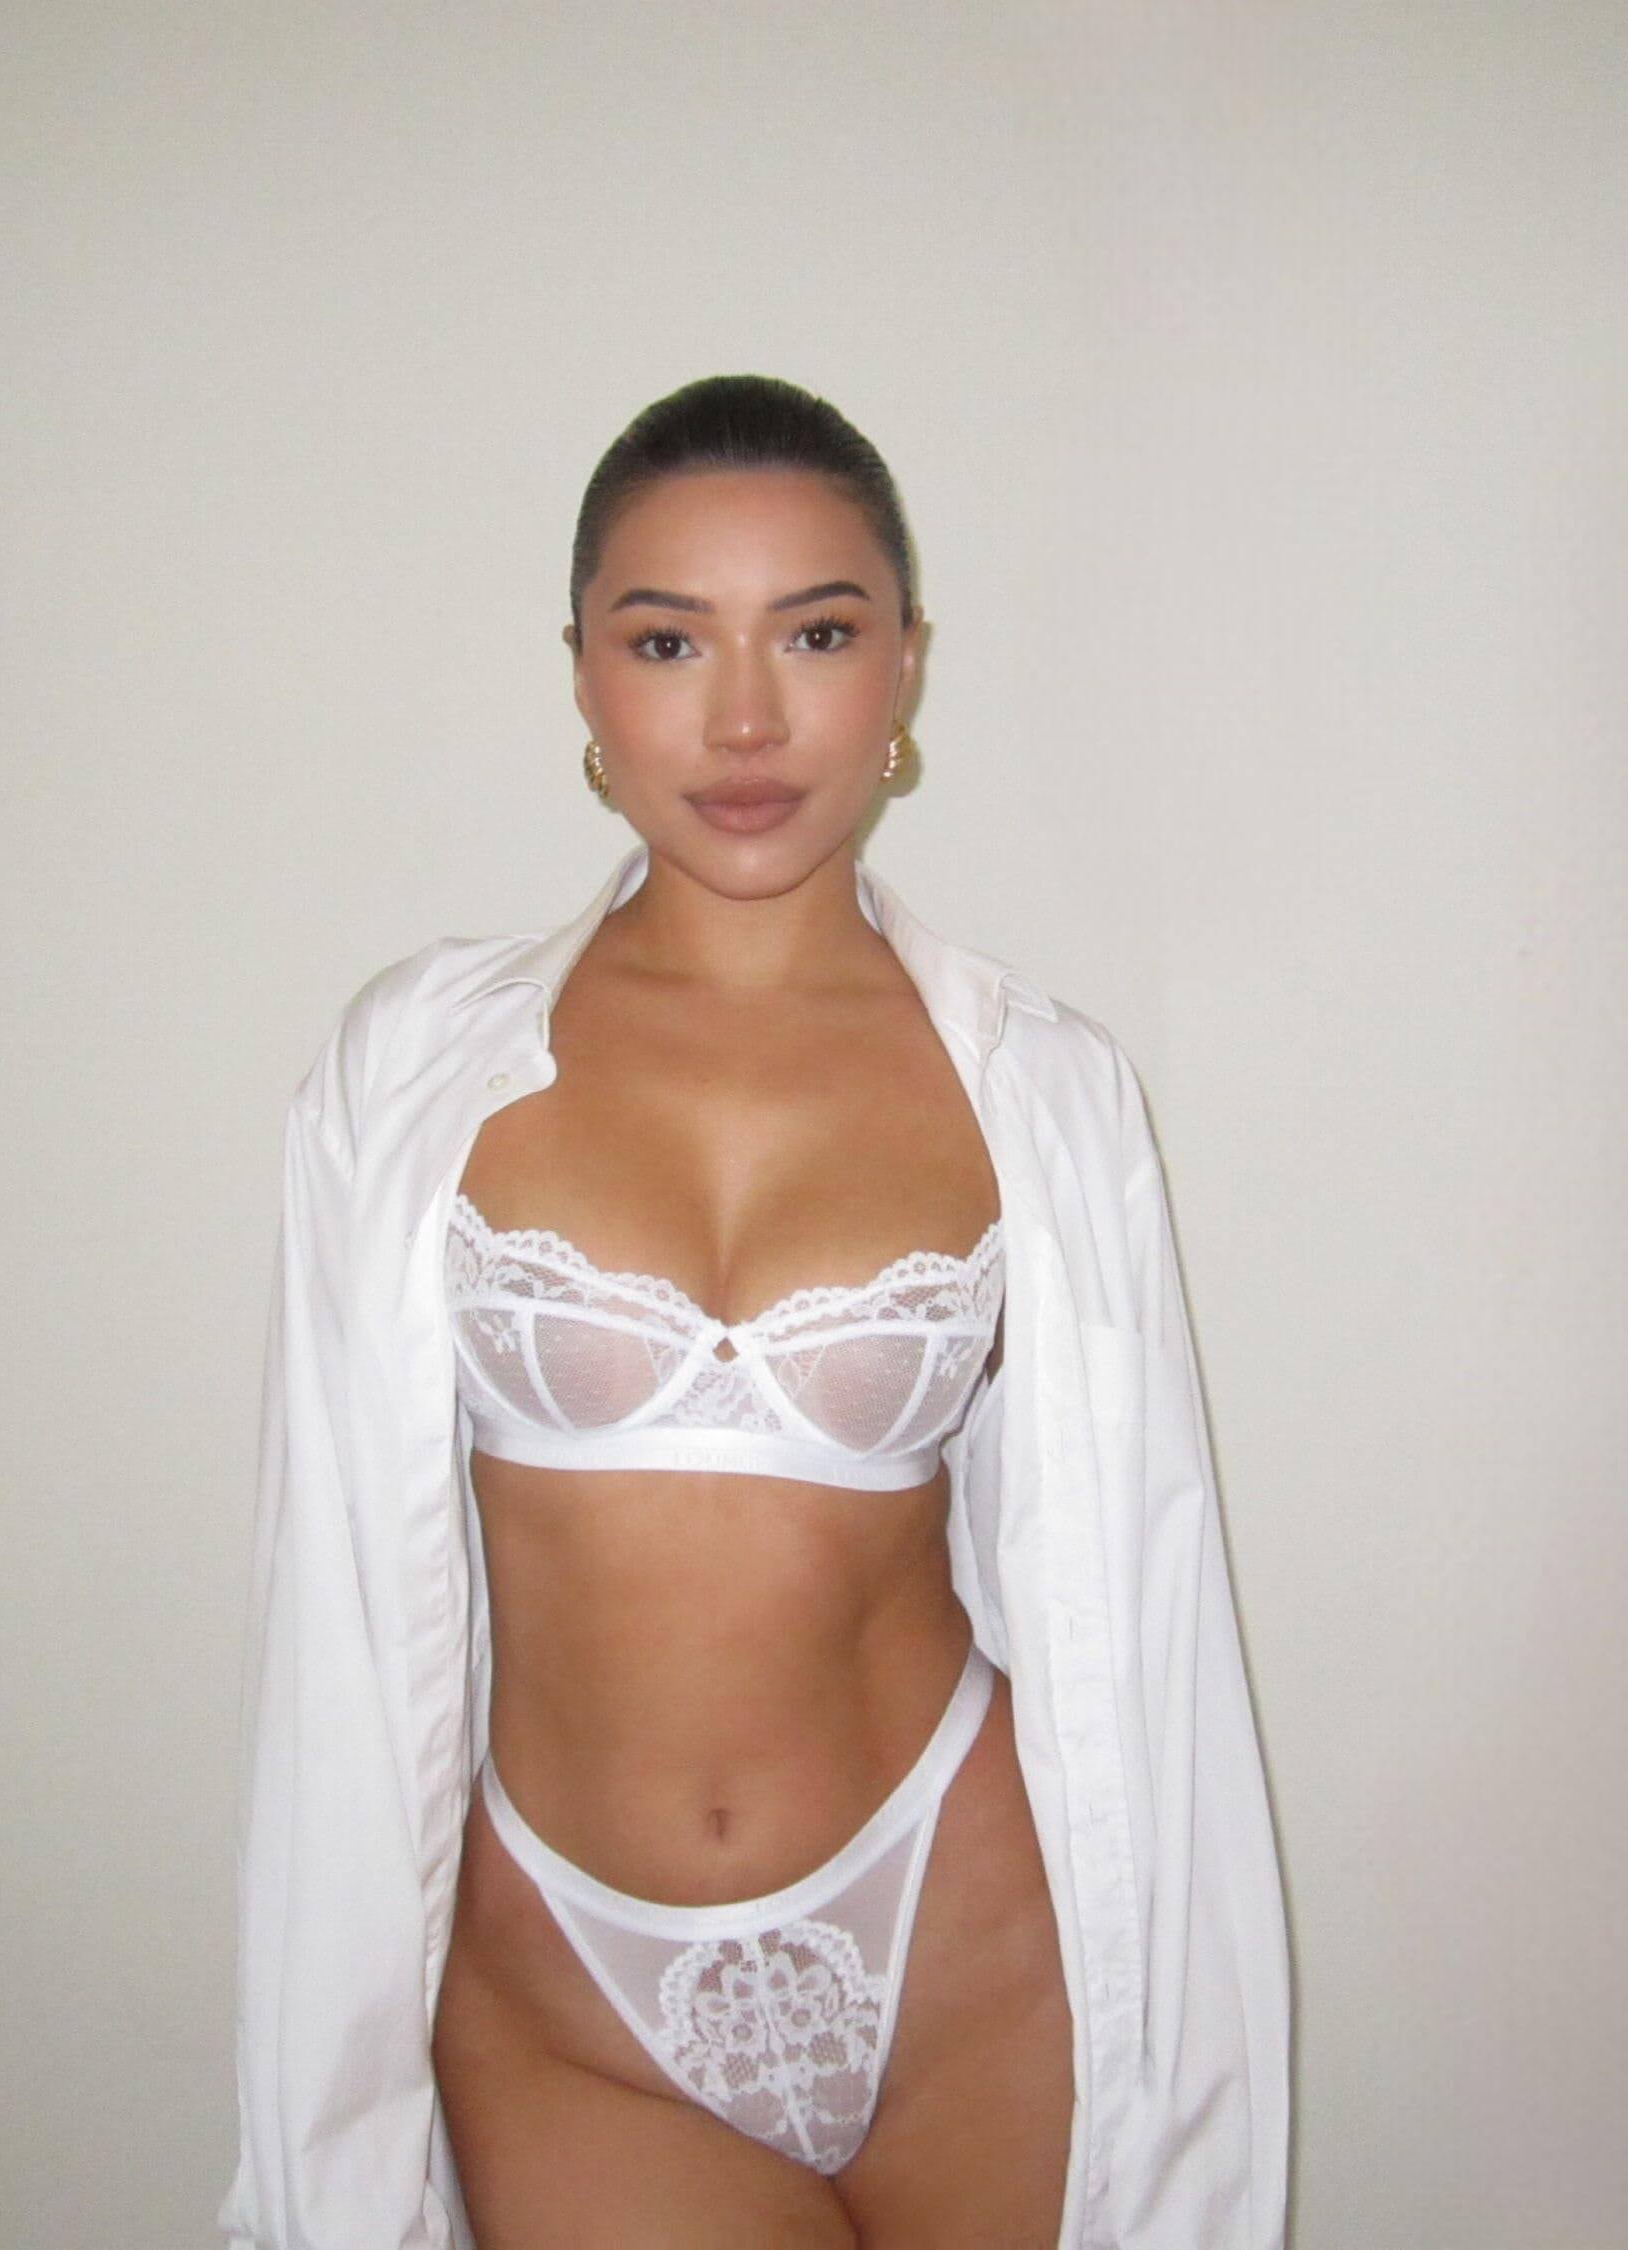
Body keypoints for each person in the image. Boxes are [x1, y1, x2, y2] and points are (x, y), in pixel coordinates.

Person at [222, 375, 1291, 2250]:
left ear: (905, 666)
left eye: (815, 633)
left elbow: (1150, 1587)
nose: (742, 718)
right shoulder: (411, 1072)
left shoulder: (1040, 1088)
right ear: (581, 673)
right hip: (567, 1997)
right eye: (666, 639)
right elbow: (326, 1606)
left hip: (973, 1941)